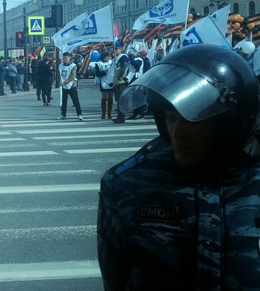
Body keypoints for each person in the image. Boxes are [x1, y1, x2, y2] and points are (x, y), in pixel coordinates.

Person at [97, 44, 260, 289]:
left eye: (192, 119)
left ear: (230, 121)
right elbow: (115, 279)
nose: (177, 133)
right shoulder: (128, 184)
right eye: (170, 117)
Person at [57, 52, 83, 121]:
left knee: (75, 100)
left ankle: (79, 114)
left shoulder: (73, 65)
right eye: (63, 58)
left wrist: (64, 82)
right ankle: (63, 114)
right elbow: (59, 74)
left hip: (72, 85)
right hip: (64, 86)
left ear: (69, 58)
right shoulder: (61, 65)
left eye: (66, 58)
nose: (65, 59)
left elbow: (72, 76)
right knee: (64, 101)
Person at [91, 51, 114, 119]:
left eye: (108, 57)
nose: (108, 58)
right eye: (106, 57)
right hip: (103, 81)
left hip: (111, 80)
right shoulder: (98, 64)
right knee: (104, 98)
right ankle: (103, 113)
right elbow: (98, 74)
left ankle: (109, 113)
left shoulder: (111, 62)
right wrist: (104, 71)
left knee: (110, 97)